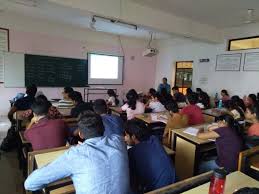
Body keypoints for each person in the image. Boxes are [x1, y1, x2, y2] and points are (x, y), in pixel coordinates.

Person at [24, 111, 130, 193]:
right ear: (103, 128)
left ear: (80, 134)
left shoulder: (75, 155)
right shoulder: (119, 141)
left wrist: (82, 149)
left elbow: (30, 184)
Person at [125, 119, 176, 193]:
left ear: (133, 136)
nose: (125, 138)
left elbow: (133, 182)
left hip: (160, 191)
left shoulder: (132, 153)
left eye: (126, 135)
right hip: (176, 185)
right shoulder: (155, 139)